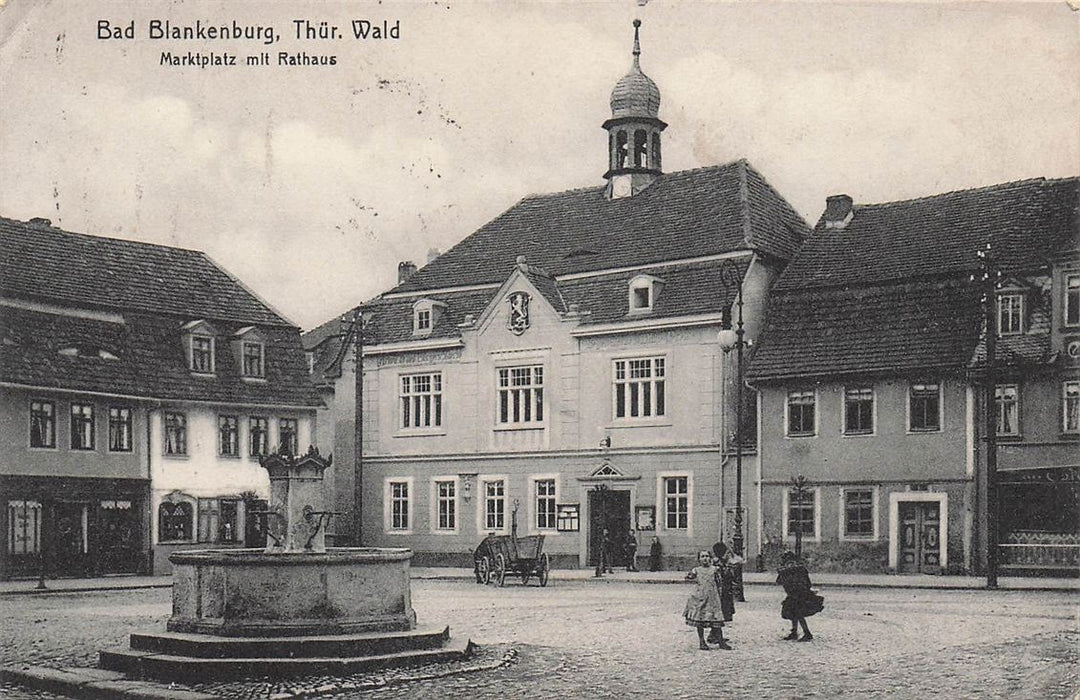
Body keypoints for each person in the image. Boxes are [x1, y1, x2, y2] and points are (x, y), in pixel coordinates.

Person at [684, 550, 730, 650]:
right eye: (702, 556)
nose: (705, 558)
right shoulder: (696, 570)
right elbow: (688, 578)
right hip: (700, 597)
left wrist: (719, 594)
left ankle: (721, 641)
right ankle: (702, 642)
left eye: (707, 556)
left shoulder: (715, 569)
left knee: (716, 619)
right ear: (699, 559)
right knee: (700, 619)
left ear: (710, 558)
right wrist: (691, 577)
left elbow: (720, 582)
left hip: (713, 597)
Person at [776, 550, 824, 641]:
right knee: (794, 613)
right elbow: (779, 581)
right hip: (794, 595)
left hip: (800, 595)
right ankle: (794, 632)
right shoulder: (791, 571)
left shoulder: (798, 570)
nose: (790, 564)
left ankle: (807, 633)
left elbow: (806, 583)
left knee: (798, 614)